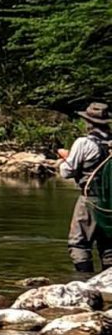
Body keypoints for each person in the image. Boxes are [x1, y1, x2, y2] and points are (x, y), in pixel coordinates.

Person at [69, 106, 112, 282]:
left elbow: (66, 172)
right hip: (110, 203)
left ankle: (83, 282)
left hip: (90, 199)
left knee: (79, 243)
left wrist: (64, 157)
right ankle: (107, 283)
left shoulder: (83, 143)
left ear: (89, 123)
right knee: (109, 246)